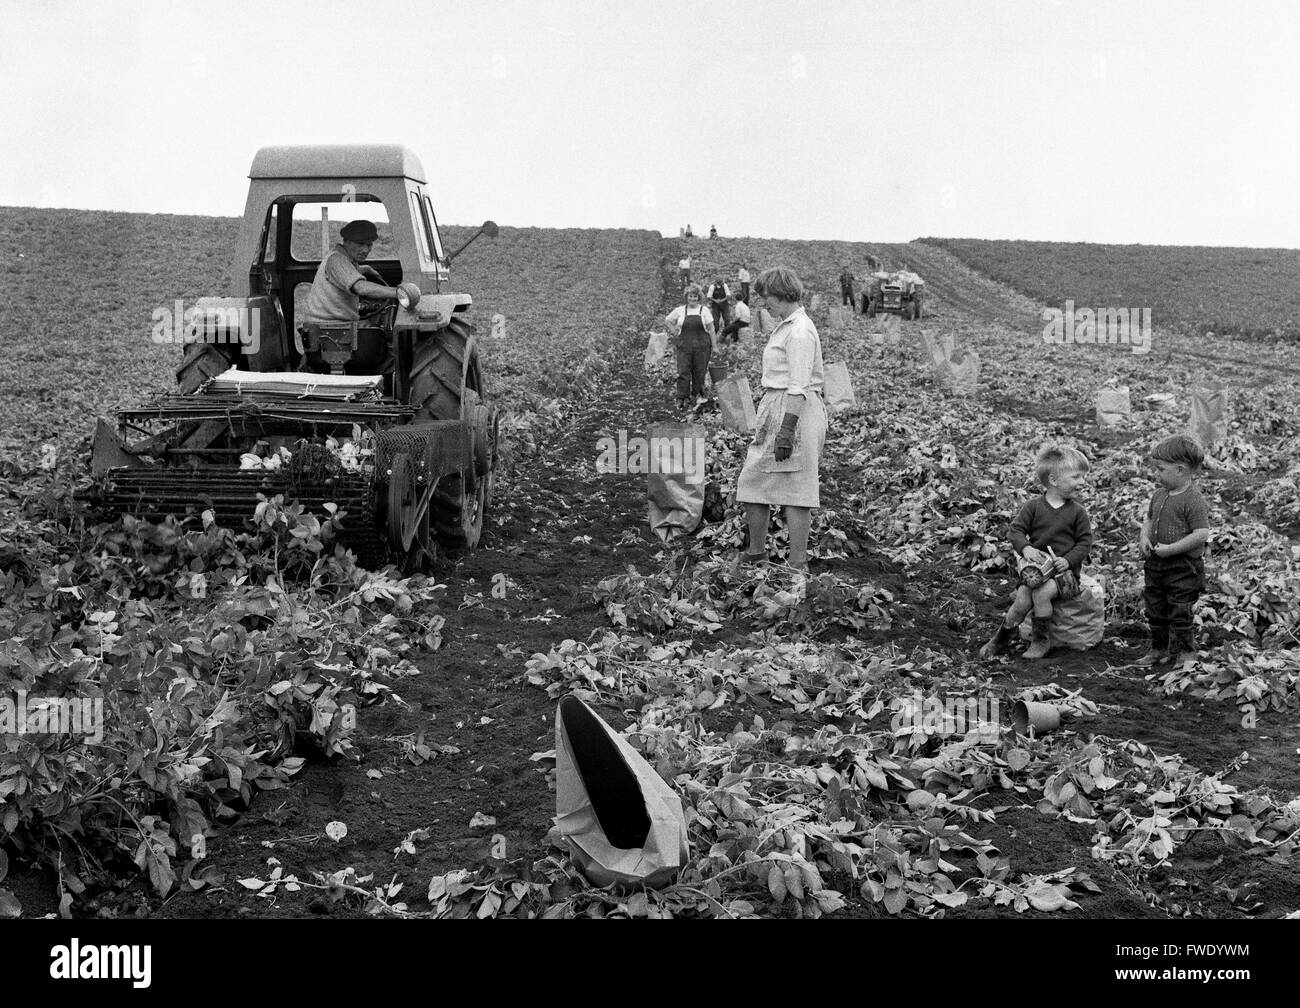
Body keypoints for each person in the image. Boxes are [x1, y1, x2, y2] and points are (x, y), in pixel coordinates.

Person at [736, 266, 827, 578]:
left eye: (768, 299)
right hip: (778, 405)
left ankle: (797, 563)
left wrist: (786, 429)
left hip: (795, 410)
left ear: (782, 294)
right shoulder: (788, 326)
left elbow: (799, 386)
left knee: (797, 486)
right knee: (753, 480)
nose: (765, 306)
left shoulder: (799, 331)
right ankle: (756, 552)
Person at [980, 446, 1094, 660]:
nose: (1082, 482)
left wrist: (1068, 561)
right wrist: (1026, 548)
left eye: (1083, 477)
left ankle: (1041, 640)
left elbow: (1085, 542)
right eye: (1076, 477)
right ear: (1053, 479)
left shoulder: (1078, 513)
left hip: (1064, 575)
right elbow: (1015, 531)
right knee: (1022, 598)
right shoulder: (1033, 507)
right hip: (1036, 572)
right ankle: (1002, 638)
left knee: (1041, 595)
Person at [1136, 436, 1212, 668]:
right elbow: (1149, 519)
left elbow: (1201, 533)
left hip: (1182, 567)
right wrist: (1143, 537)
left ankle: (1186, 652)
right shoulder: (1159, 495)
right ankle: (1158, 649)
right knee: (1155, 608)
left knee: (1180, 610)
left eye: (1160, 469)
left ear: (1180, 470)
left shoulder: (1193, 500)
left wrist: (1171, 549)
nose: (1156, 474)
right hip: (1156, 563)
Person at [301, 219, 400, 373]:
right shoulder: (337, 260)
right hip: (330, 333)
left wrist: (365, 269)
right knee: (393, 348)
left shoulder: (344, 259)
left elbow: (347, 274)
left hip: (330, 330)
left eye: (369, 245)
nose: (366, 249)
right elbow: (360, 287)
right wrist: (398, 292)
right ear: (346, 241)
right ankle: (382, 386)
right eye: (361, 244)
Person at [664, 284, 716, 408]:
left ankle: (697, 396)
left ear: (699, 298)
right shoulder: (680, 310)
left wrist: (715, 346)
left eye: (695, 296)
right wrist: (674, 331)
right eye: (690, 296)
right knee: (683, 371)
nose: (692, 299)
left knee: (699, 372)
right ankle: (682, 397)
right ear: (686, 297)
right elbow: (667, 320)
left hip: (702, 347)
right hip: (684, 346)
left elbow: (711, 329)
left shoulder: (704, 311)